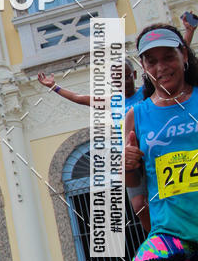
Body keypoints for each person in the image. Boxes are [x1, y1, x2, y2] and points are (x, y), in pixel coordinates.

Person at [125, 24, 198, 261]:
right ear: (144, 67)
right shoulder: (137, 115)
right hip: (173, 231)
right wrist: (129, 170)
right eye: (151, 60)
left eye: (168, 56)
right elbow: (138, 195)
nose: (161, 65)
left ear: (184, 56)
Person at [38, 59, 151, 231]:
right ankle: (156, 239)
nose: (124, 82)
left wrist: (188, 32)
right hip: (130, 161)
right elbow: (80, 98)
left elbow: (175, 64)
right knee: (139, 206)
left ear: (134, 75)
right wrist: (54, 87)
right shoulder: (113, 101)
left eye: (127, 77)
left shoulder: (147, 92)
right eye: (118, 79)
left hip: (151, 153)